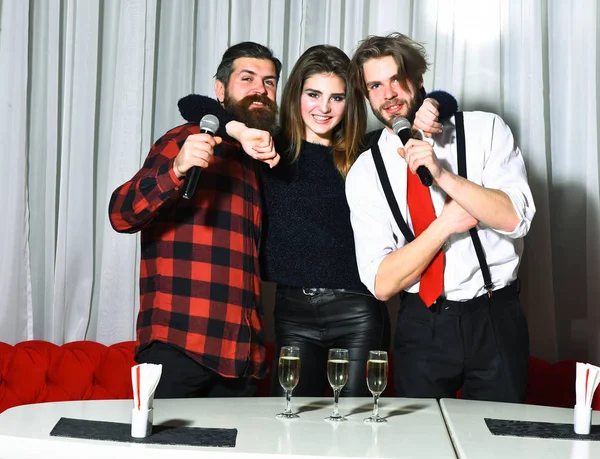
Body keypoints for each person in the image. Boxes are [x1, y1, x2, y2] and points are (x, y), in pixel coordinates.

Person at [178, 44, 457, 397]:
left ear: (351, 102)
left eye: (337, 98)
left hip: (358, 309)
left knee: (359, 420)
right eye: (313, 94)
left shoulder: (368, 152)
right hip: (292, 312)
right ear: (296, 95)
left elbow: (446, 104)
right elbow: (191, 106)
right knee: (292, 422)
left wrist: (431, 105)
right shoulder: (265, 147)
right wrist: (239, 131)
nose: (323, 108)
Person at [346, 32, 535, 402]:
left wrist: (444, 176)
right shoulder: (366, 171)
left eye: (397, 79)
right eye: (375, 85)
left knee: (499, 440)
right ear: (367, 96)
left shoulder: (485, 130)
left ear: (418, 81)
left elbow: (516, 218)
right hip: (423, 323)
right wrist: (445, 224)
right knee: (421, 447)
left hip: (496, 314)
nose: (388, 94)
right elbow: (382, 282)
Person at [108, 42, 283, 398]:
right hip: (180, 345)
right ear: (220, 89)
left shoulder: (257, 162)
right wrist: (175, 169)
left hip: (241, 358)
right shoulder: (186, 139)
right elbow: (120, 214)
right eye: (247, 78)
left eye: (269, 82)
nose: (259, 90)